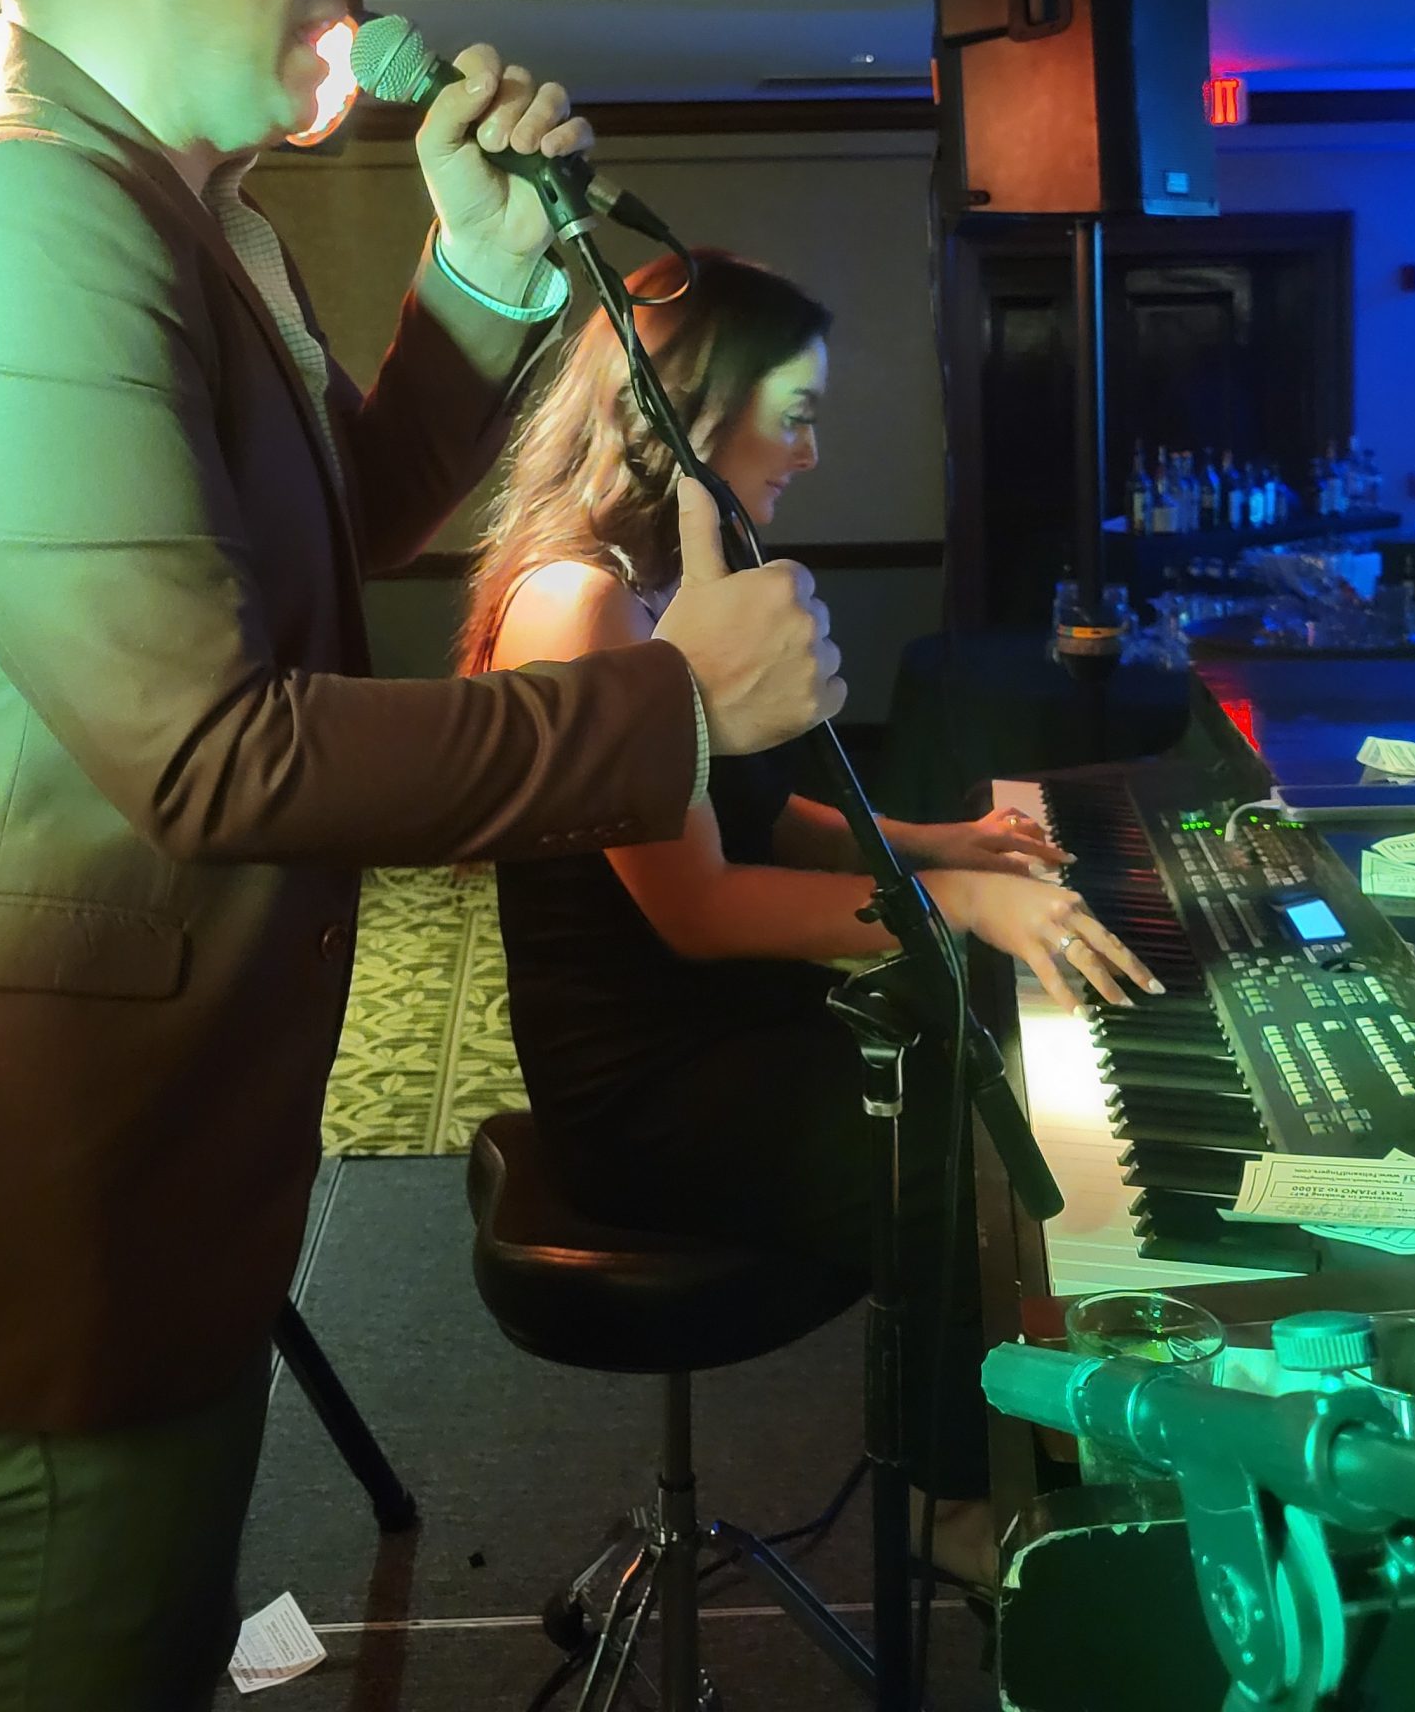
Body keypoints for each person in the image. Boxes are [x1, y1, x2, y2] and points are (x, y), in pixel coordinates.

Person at [0, 0, 843, 1711]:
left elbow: (335, 520)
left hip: (124, 1202)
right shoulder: (18, 221)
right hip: (6, 1245)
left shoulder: (189, 221)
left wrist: (477, 267)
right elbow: (215, 750)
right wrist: (674, 708)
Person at [464, 248, 1161, 1590]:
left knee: (979, 1080)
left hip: (721, 1030)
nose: (811, 452)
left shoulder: (665, 576)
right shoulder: (578, 599)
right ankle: (948, 1501)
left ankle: (1009, 1456)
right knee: (959, 1153)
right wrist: (953, 905)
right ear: (685, 410)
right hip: (648, 1087)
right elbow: (702, 907)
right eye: (794, 414)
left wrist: (943, 844)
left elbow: (759, 814)